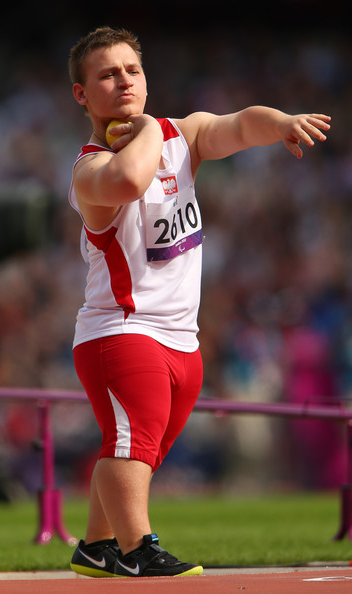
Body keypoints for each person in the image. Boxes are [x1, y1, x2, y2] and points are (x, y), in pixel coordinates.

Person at [67, 26, 331, 578]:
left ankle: (95, 546)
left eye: (132, 70)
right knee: (133, 443)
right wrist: (145, 131)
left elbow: (236, 124)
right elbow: (132, 178)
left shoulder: (182, 135)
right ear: (82, 94)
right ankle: (139, 550)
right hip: (122, 330)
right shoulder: (89, 170)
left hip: (182, 340)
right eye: (108, 74)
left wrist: (280, 122)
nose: (124, 81)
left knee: (136, 451)